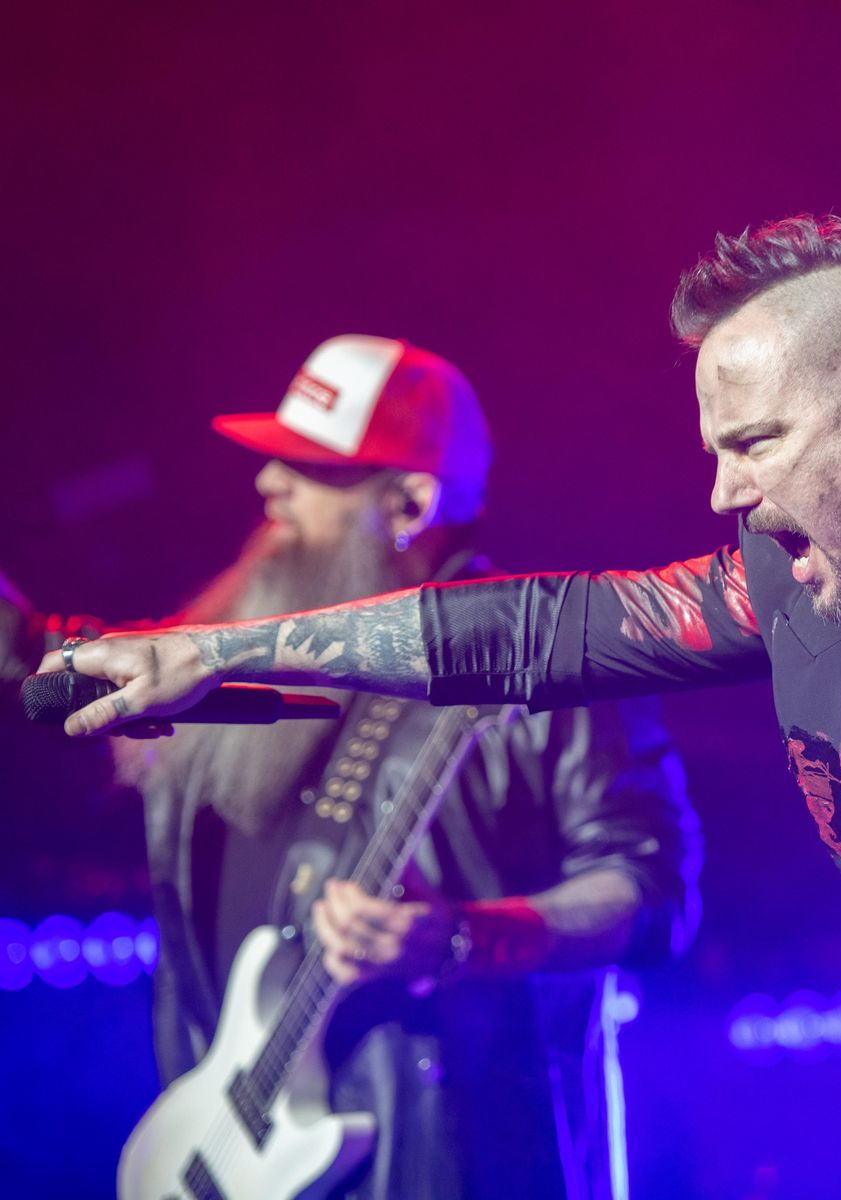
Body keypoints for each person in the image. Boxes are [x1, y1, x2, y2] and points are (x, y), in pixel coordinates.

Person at [48, 220, 841, 1198]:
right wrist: (216, 653)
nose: (725, 490)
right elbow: (548, 630)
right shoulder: (801, 575)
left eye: (756, 445)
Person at [88, 335, 701, 1200]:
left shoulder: (540, 665)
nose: (269, 485)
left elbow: (654, 892)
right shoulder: (249, 661)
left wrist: (459, 936)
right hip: (225, 1153)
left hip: (443, 1156)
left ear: (410, 500)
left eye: (313, 469)